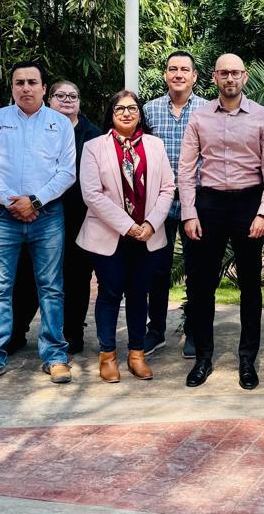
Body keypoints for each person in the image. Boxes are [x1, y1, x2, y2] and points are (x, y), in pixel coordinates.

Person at [0, 61, 76, 386]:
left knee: (51, 288)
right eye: (19, 82)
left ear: (44, 88)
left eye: (32, 82)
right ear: (12, 87)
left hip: (47, 216)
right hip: (3, 216)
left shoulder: (60, 124)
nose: (26, 88)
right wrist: (11, 201)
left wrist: (35, 201)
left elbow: (67, 171)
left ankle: (55, 356)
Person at [178, 53, 264, 390]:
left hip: (249, 203)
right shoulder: (199, 117)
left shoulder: (263, 117)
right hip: (209, 204)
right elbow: (185, 169)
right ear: (214, 78)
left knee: (250, 286)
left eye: (236, 73)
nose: (230, 78)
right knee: (201, 286)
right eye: (224, 73)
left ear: (245, 76)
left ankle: (247, 360)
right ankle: (203, 358)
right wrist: (189, 212)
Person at [77, 91, 176, 383]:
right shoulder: (94, 147)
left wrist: (151, 224)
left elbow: (168, 188)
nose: (126, 113)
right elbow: (91, 194)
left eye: (132, 108)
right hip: (109, 234)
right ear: (111, 114)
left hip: (147, 235)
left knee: (138, 294)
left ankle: (136, 354)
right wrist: (128, 226)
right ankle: (107, 355)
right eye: (120, 108)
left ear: (140, 114)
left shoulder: (155, 145)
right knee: (109, 293)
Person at [6, 79, 101, 356]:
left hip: (78, 216)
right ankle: (16, 331)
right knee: (27, 274)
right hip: (38, 213)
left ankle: (72, 332)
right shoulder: (34, 127)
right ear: (49, 98)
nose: (67, 100)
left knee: (76, 276)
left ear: (80, 102)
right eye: (61, 95)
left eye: (73, 96)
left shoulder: (93, 135)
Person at [142, 51, 208, 358]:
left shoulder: (208, 110)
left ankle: (194, 330)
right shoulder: (149, 110)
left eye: (184, 69)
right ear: (165, 74)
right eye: (172, 69)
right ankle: (155, 330)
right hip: (159, 203)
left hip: (196, 202)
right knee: (157, 270)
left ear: (194, 76)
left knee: (197, 270)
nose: (178, 74)